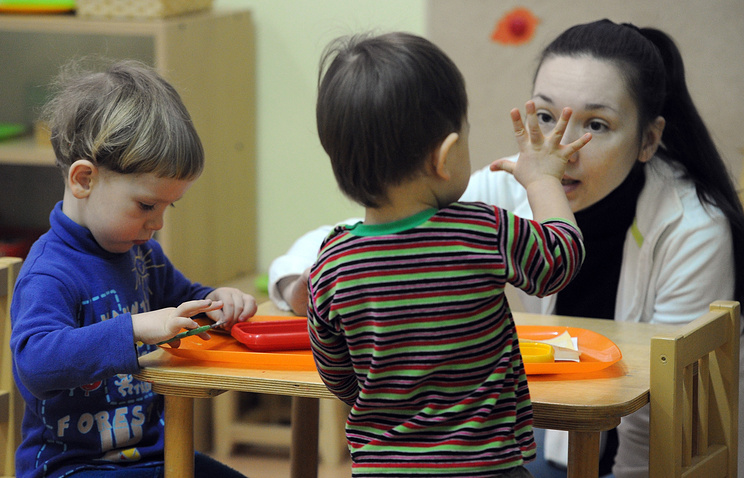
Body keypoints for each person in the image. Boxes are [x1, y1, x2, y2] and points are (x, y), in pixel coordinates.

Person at [270, 20, 744, 478]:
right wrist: (297, 282)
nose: (563, 147)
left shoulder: (693, 227)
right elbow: (369, 233)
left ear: (649, 139)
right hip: (508, 456)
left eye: (595, 125)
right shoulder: (492, 212)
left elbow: (662, 414)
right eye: (545, 116)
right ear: (446, 155)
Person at [308, 31, 589, 477]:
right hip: (486, 466)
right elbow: (562, 256)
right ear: (446, 155)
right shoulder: (481, 230)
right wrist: (542, 181)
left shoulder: (331, 264)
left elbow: (338, 376)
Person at [10, 60, 256, 478]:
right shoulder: (50, 272)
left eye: (167, 206)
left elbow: (185, 304)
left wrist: (218, 302)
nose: (157, 222)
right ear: (83, 180)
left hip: (152, 458)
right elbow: (34, 362)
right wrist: (135, 328)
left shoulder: (142, 254)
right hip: (72, 468)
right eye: (146, 205)